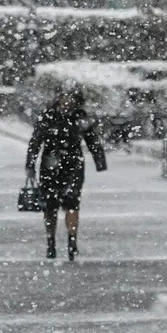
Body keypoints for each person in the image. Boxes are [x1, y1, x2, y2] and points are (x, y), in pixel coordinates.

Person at [26, 86, 108, 260]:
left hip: (73, 164)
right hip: (50, 164)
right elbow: (35, 141)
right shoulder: (48, 116)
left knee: (72, 202)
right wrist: (30, 165)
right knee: (50, 205)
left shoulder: (79, 117)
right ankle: (51, 242)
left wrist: (99, 160)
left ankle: (72, 240)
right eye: (64, 98)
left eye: (70, 99)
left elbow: (91, 139)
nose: (67, 102)